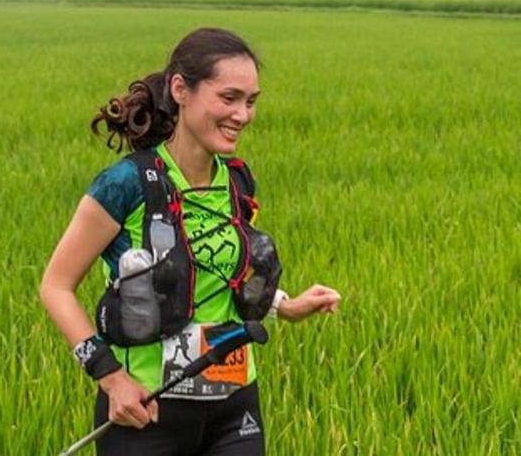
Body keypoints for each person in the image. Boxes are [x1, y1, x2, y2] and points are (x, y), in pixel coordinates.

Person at [40, 28, 341, 456]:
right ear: (181, 90)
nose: (243, 115)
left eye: (251, 101)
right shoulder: (127, 184)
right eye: (229, 98)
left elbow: (218, 271)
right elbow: (55, 285)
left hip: (235, 407)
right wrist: (111, 378)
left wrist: (284, 306)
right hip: (147, 411)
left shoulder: (237, 179)